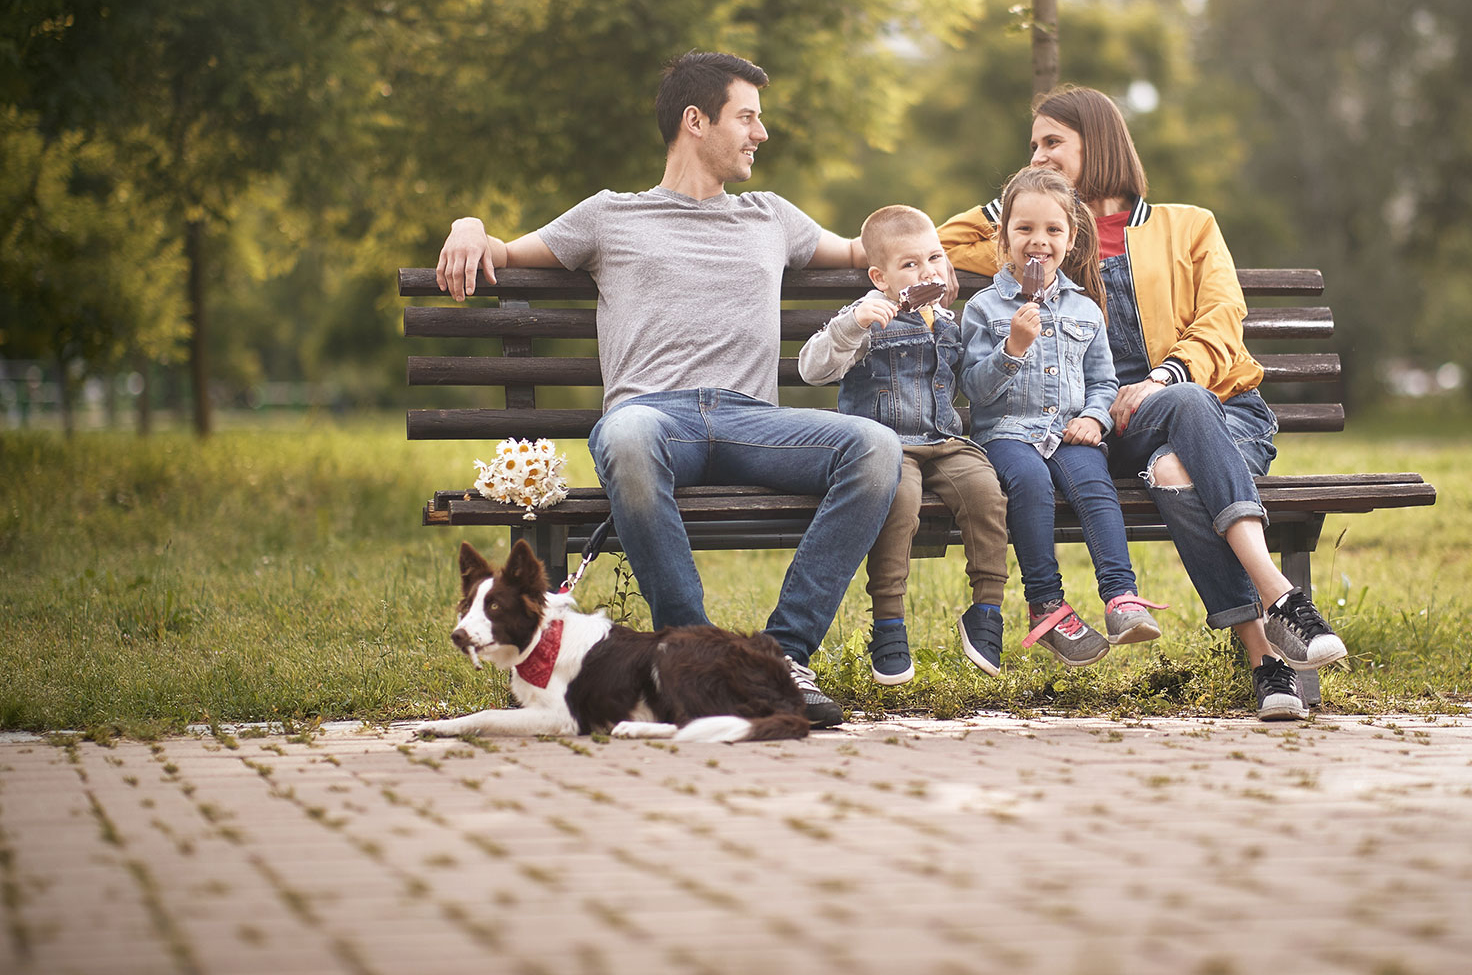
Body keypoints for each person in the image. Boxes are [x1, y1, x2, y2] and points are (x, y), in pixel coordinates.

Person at [434, 51, 903, 728]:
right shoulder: (609, 216)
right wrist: (468, 227)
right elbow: (505, 252)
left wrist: (971, 237)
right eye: (747, 117)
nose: (760, 134)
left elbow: (873, 252)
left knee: (875, 448)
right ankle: (696, 657)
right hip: (654, 420)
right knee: (624, 437)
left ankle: (781, 657)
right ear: (695, 121)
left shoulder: (771, 216)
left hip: (750, 422)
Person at [940, 87, 1348, 722]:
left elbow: (1222, 317)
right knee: (1162, 459)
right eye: (1033, 147)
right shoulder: (1055, 238)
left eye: (1053, 143)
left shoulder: (1189, 225)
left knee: (1174, 466)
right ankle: (1283, 602)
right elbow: (943, 243)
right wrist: (1023, 195)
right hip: (1106, 423)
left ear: (1097, 143)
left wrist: (1160, 378)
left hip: (1210, 406)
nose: (1040, 155)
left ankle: (1264, 660)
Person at [958, 166, 1169, 668]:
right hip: (1008, 433)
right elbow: (974, 391)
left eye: (1053, 230)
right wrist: (1012, 347)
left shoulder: (1086, 309)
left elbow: (1103, 382)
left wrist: (1096, 420)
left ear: (1071, 238)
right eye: (1024, 229)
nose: (1038, 241)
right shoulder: (984, 309)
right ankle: (1047, 608)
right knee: (1029, 484)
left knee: (1095, 487)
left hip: (1072, 432)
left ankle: (1121, 597)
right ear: (1004, 235)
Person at [797, 205, 1010, 684]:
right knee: (901, 501)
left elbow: (973, 384)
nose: (927, 271)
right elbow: (812, 369)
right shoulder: (867, 319)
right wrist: (851, 323)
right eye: (909, 264)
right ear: (880, 277)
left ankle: (987, 611)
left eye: (934, 258)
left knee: (986, 493)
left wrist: (1009, 350)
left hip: (945, 441)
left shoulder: (949, 322)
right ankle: (888, 621)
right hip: (889, 447)